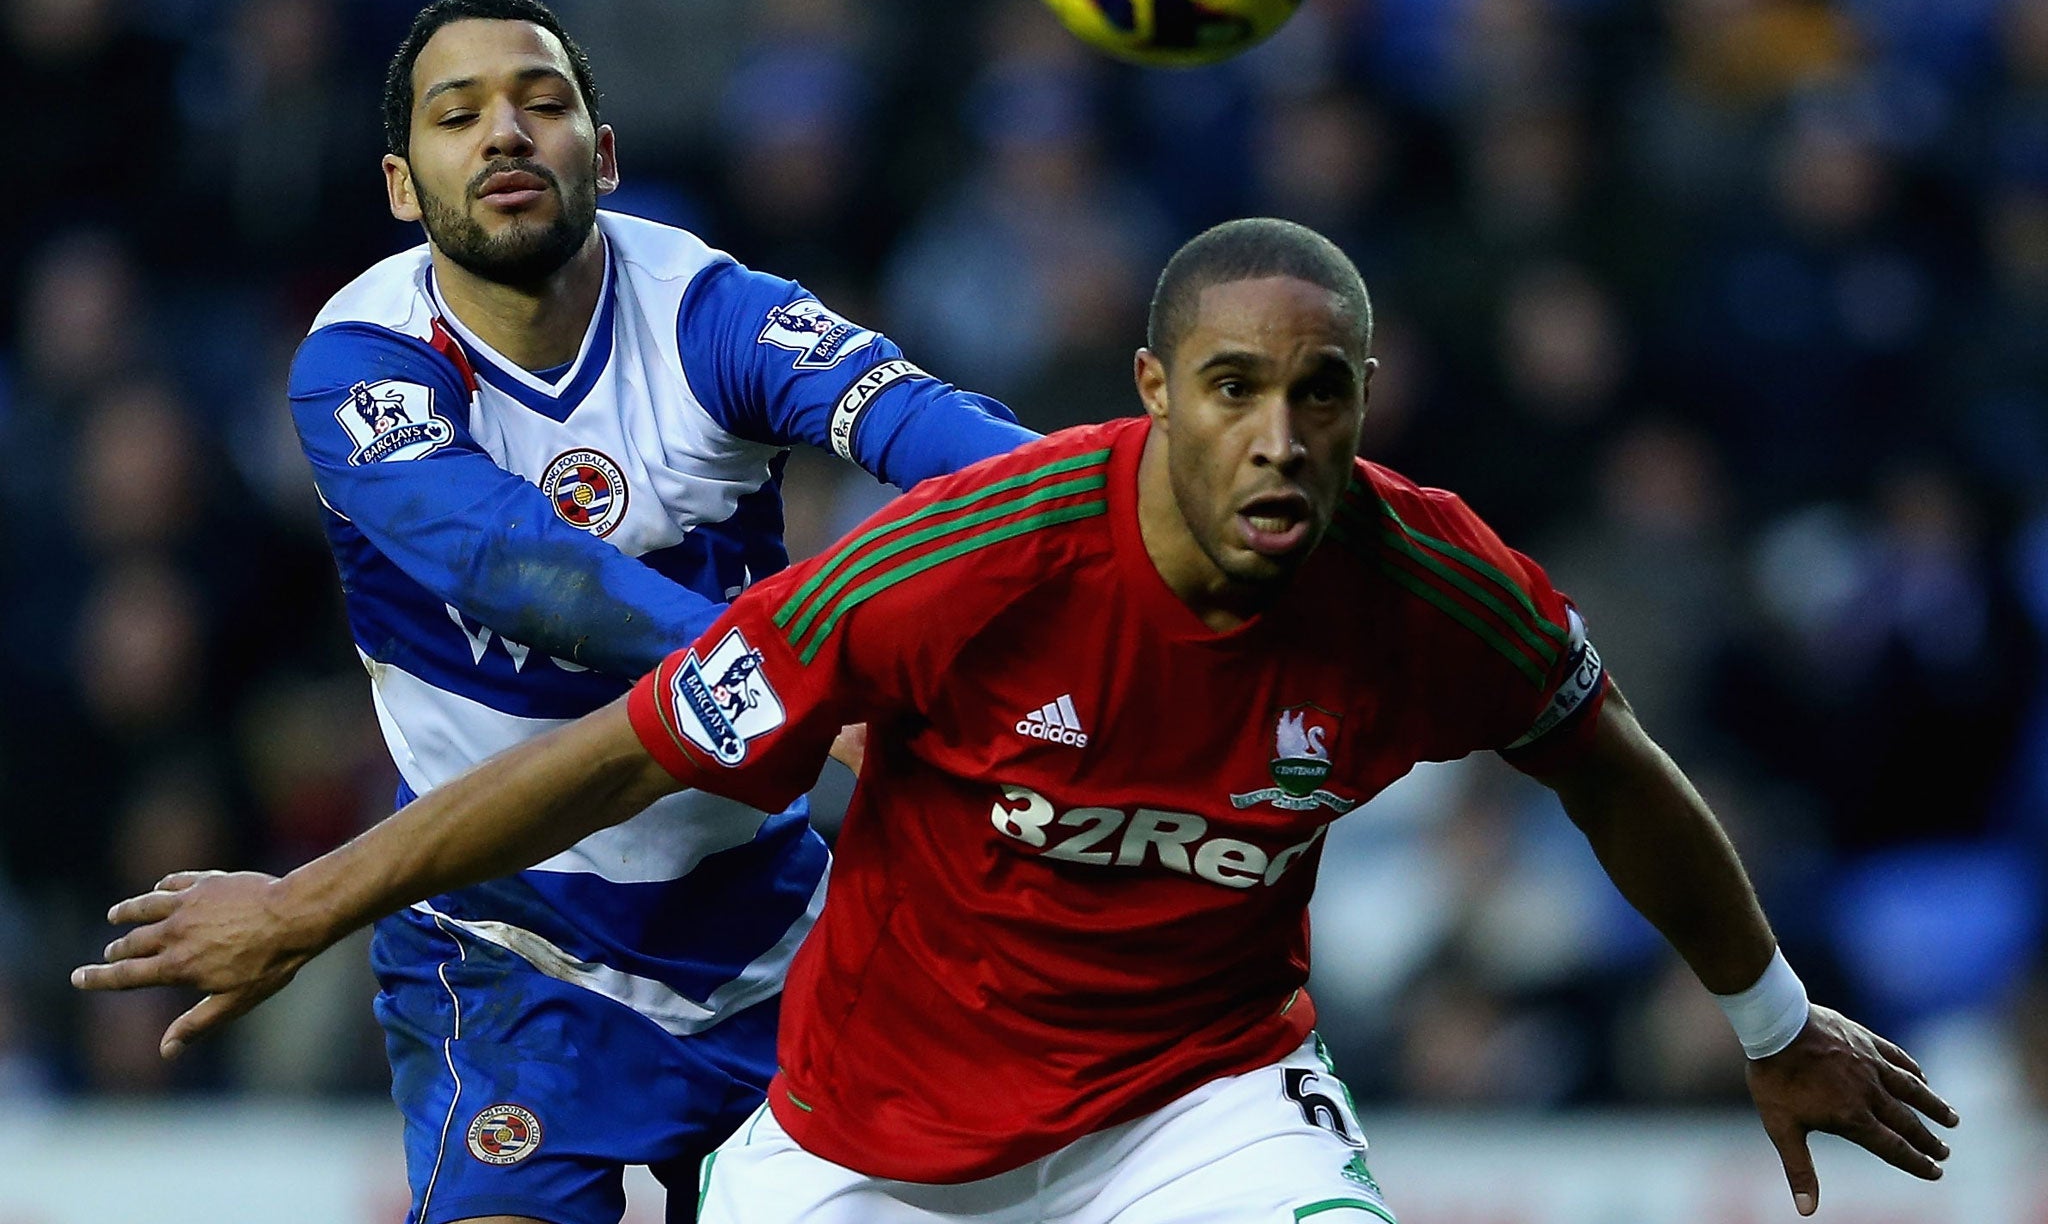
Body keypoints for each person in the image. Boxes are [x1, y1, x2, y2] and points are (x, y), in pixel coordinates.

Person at [77, 219, 1957, 1223]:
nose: (1282, 438)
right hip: (866, 1145)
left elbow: (1612, 772)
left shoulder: (1433, 583)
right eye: (1234, 388)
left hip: (1191, 1114)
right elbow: (622, 748)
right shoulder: (963, 560)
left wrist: (1767, 1021)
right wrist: (313, 900)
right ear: (1154, 392)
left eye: (1323, 395)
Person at [257, 0, 1031, 1224]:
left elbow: (952, 444)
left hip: (770, 935)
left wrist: (1123, 511)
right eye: (458, 117)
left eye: (542, 102)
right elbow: (511, 564)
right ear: (404, 187)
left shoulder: (710, 311)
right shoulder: (362, 360)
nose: (506, 134)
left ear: (601, 156)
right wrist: (788, 673)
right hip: (510, 947)